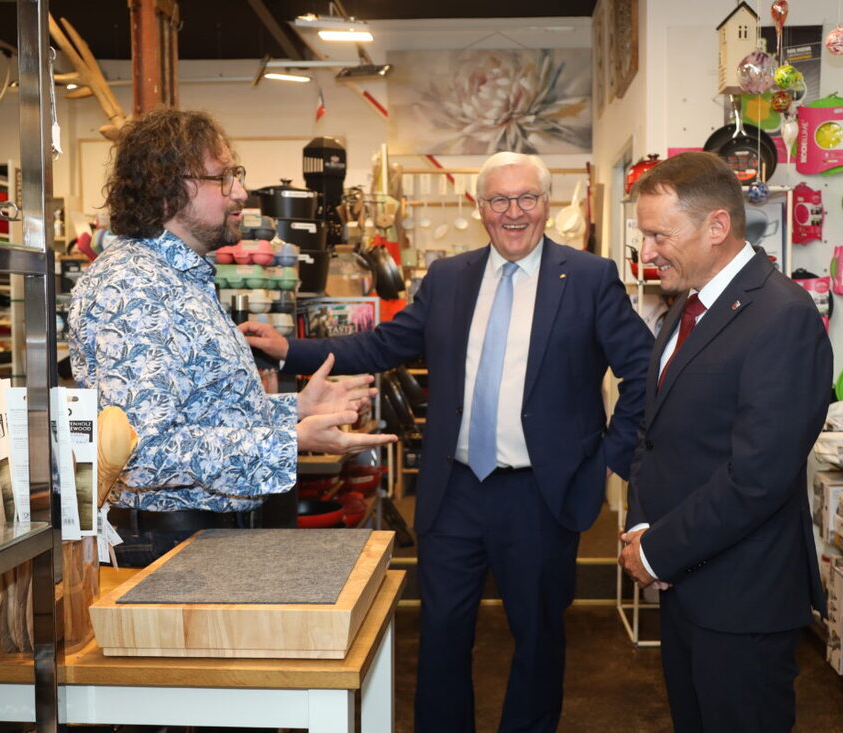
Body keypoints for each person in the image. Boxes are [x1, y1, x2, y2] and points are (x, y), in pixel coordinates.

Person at [241, 151, 652, 732]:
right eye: (499, 200)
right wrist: (291, 350)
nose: (514, 212)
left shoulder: (588, 278)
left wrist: (607, 458)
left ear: (546, 204)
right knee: (439, 637)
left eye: (526, 198)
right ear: (480, 208)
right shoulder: (450, 278)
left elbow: (643, 372)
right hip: (455, 490)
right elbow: (382, 345)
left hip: (541, 495)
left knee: (538, 638)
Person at [67, 109, 395, 566]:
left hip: (205, 539)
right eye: (223, 178)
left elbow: (204, 414)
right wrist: (289, 440)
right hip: (170, 546)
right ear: (168, 189)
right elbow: (142, 453)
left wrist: (295, 408)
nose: (240, 192)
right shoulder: (131, 288)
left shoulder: (182, 277)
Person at [617, 151, 832, 733]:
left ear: (716, 226)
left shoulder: (782, 315)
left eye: (660, 236)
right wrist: (643, 528)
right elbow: (652, 432)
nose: (648, 252)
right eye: (645, 236)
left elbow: (758, 476)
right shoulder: (687, 306)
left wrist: (657, 552)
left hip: (742, 601)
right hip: (683, 583)